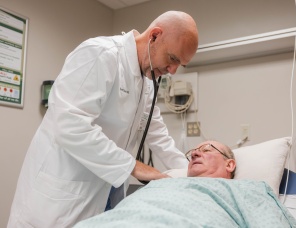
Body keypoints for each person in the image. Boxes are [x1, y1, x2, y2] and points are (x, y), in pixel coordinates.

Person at [8, 11, 199, 227]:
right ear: (155, 36)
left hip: (107, 194)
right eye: (172, 58)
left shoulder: (147, 82)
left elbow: (159, 136)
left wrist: (191, 175)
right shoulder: (100, 54)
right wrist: (133, 167)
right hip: (61, 198)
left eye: (180, 65)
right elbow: (69, 124)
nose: (172, 70)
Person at [73, 140, 296, 228]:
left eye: (207, 149)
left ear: (230, 165)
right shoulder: (162, 183)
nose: (196, 153)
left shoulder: (247, 189)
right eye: (194, 151)